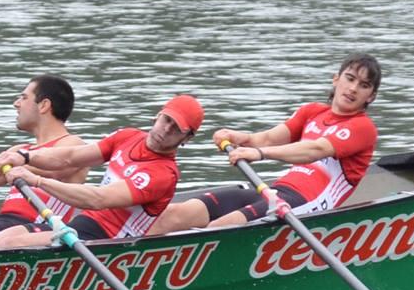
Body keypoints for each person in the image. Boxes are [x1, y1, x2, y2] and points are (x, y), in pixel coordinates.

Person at [151, 54, 383, 234]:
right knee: (175, 214)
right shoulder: (312, 111)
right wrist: (238, 137)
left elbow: (315, 150)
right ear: (336, 79)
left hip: (308, 204)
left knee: (218, 228)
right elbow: (268, 138)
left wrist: (258, 153)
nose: (353, 89)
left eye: (363, 85)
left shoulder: (362, 127)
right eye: (350, 79)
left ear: (371, 96)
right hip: (275, 192)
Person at [0, 96, 203, 251]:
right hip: (79, 225)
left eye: (176, 129)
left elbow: (97, 199)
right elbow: (69, 156)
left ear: (186, 139)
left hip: (108, 242)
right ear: (158, 115)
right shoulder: (128, 136)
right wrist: (26, 156)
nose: (166, 130)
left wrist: (38, 180)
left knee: (10, 244)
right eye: (166, 120)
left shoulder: (163, 174)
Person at [0, 75, 86, 249]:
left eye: (24, 97)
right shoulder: (18, 150)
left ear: (44, 105)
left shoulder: (72, 145)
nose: (16, 103)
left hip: (38, 228)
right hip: (4, 222)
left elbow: (55, 169)